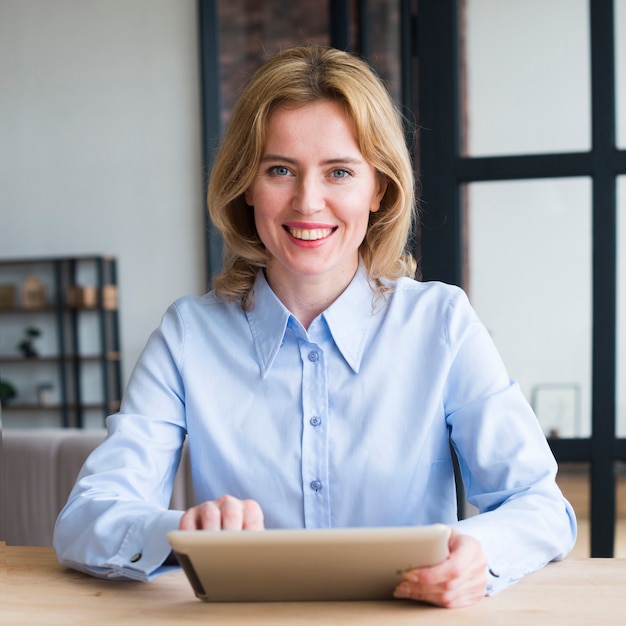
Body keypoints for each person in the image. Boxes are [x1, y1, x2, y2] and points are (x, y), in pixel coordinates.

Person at [54, 45, 576, 608]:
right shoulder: (188, 336)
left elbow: (540, 505)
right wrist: (182, 532)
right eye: (280, 169)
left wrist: (478, 551)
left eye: (339, 172)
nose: (308, 202)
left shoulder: (441, 323)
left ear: (378, 189)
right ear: (246, 186)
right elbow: (87, 518)